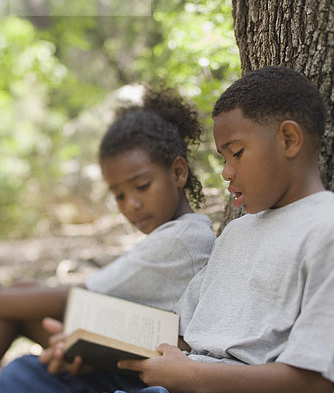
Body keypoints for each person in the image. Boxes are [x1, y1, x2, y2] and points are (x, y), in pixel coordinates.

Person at [0, 67, 334, 393]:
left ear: (288, 140)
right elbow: (191, 335)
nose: (226, 172)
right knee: (23, 376)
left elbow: (315, 377)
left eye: (236, 153)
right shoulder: (239, 230)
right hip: (191, 392)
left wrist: (194, 377)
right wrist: (97, 348)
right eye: (223, 157)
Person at [0, 87, 215, 361]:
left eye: (142, 186)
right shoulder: (184, 233)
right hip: (131, 346)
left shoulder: (182, 239)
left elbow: (77, 298)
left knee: (16, 303)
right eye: (119, 195)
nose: (131, 205)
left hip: (157, 371)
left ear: (178, 172)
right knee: (20, 293)